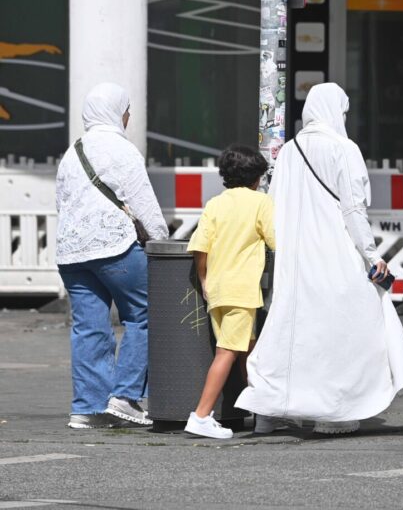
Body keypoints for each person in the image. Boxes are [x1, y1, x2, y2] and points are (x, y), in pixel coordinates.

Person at [235, 82, 403, 434]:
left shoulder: (288, 151)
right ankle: (335, 412)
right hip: (335, 254)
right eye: (344, 112)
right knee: (344, 332)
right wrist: (370, 255)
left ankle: (269, 409)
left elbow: (275, 204)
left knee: (293, 331)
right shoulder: (344, 149)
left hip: (296, 258)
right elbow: (353, 209)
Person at [56, 83, 169, 429]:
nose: (129, 116)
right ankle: (125, 397)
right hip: (115, 248)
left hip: (72, 253)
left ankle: (87, 408)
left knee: (89, 328)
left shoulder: (71, 153)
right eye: (127, 110)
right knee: (145, 314)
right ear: (118, 113)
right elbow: (144, 203)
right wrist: (161, 239)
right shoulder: (123, 151)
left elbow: (61, 203)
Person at [184, 145, 275, 439]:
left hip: (218, 290)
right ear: (257, 177)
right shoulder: (261, 203)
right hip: (242, 291)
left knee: (246, 353)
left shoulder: (215, 204)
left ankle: (264, 413)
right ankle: (200, 415)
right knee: (228, 352)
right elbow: (277, 241)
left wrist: (205, 281)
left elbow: (200, 247)